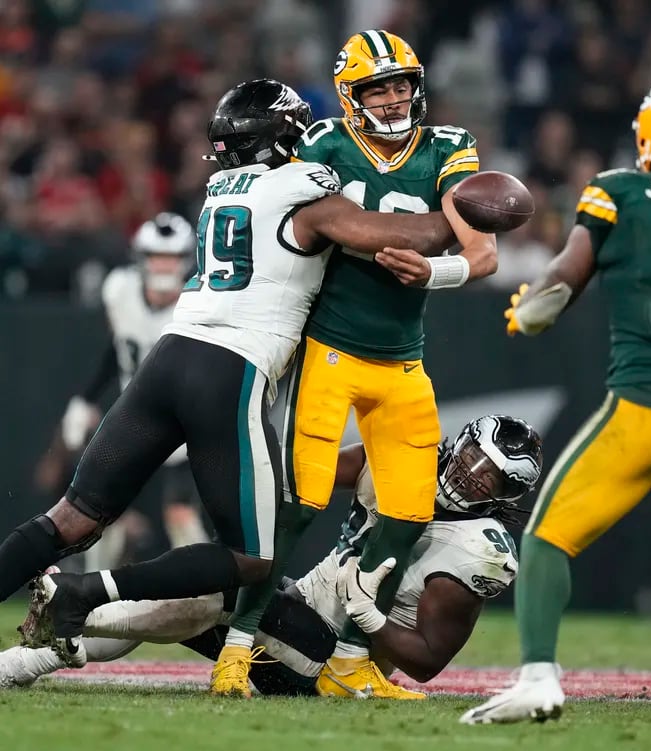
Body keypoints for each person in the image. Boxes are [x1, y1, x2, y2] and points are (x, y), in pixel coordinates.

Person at [0, 79, 455, 672]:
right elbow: (404, 234)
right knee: (251, 559)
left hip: (167, 359)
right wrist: (461, 210)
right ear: (286, 138)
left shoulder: (219, 186)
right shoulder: (304, 188)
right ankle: (88, 592)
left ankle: (79, 590)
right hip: (227, 371)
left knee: (70, 519)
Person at [460, 72, 651, 726]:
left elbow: (565, 275)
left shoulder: (620, 191)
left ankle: (539, 677)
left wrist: (533, 311)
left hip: (648, 405)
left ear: (649, 134)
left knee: (546, 540)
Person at [213, 29, 499, 700]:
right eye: (379, 88)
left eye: (401, 84)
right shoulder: (322, 148)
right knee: (295, 509)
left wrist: (435, 269)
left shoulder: (449, 147)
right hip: (331, 351)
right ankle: (235, 649)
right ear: (351, 96)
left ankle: (347, 658)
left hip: (402, 362)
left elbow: (482, 255)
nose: (395, 98)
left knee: (403, 513)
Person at [3, 416, 543, 696]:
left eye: (489, 476)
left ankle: (70, 611)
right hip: (297, 612)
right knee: (194, 588)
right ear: (460, 442)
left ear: (503, 494)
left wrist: (370, 616)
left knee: (224, 586)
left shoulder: (479, 548)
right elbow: (308, 477)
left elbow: (427, 662)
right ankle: (40, 653)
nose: (471, 474)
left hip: (334, 665)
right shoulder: (404, 465)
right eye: (473, 456)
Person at [58, 212, 208, 568]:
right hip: (134, 416)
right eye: (157, 256)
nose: (163, 265)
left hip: (187, 422)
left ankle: (210, 600)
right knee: (99, 509)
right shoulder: (120, 289)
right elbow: (119, 346)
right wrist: (86, 398)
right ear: (141, 258)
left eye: (170, 257)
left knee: (182, 517)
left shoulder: (198, 301)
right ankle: (90, 594)